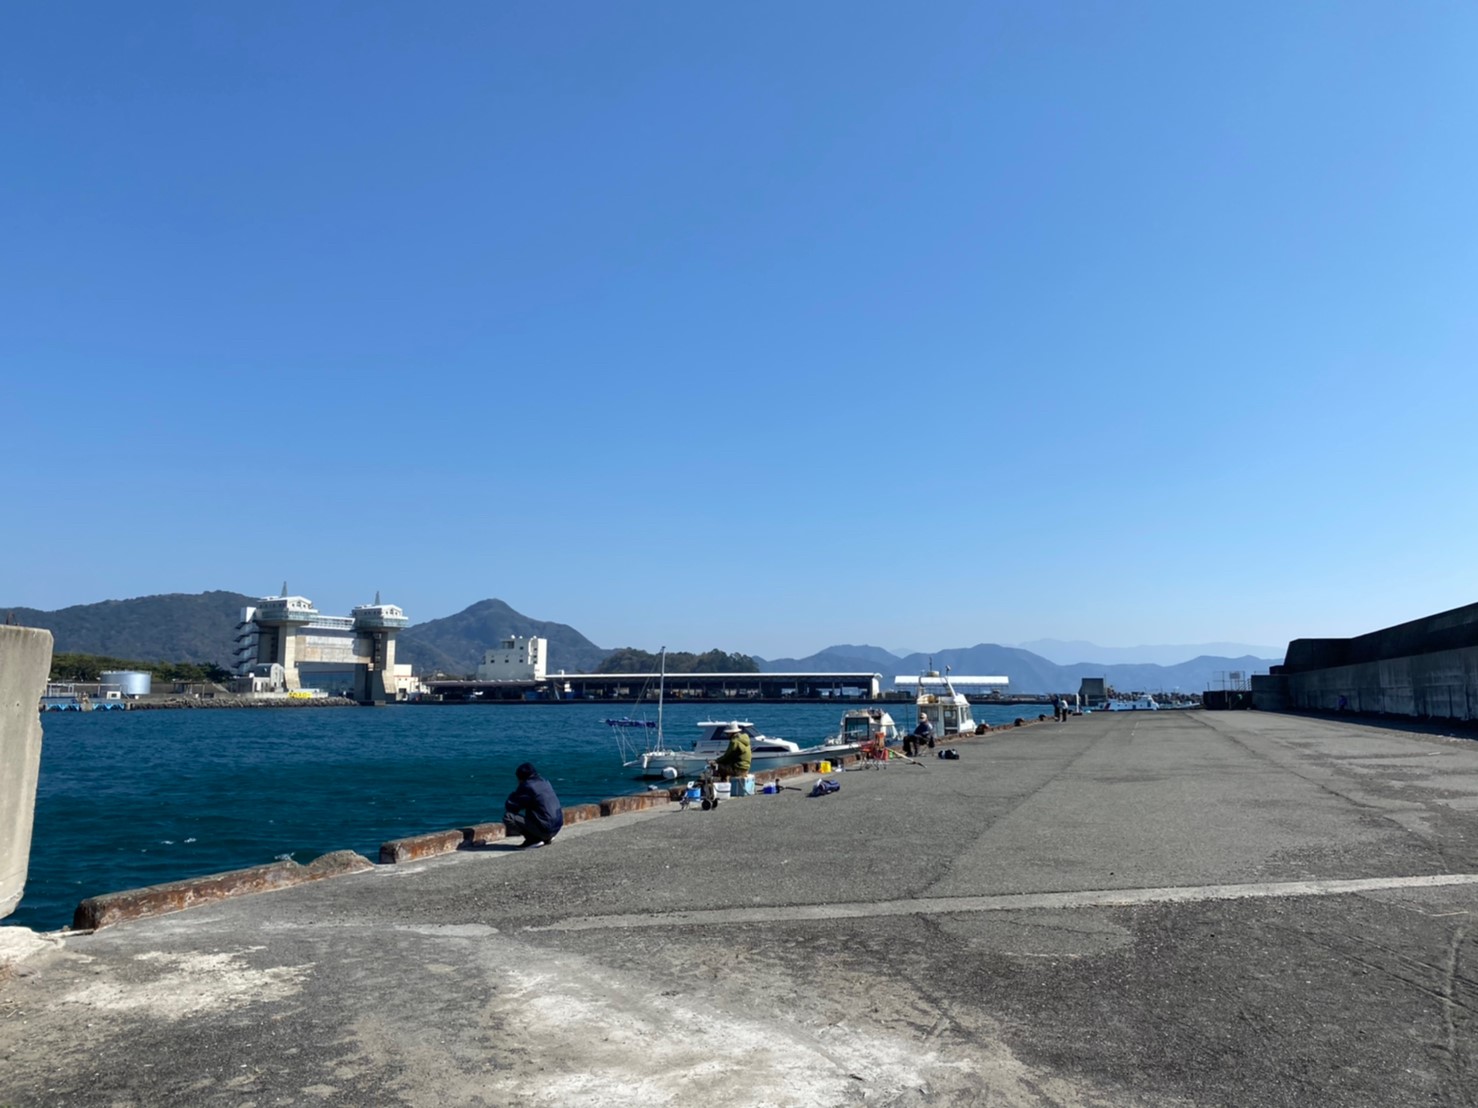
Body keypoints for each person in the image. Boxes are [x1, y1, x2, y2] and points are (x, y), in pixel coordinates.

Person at [504, 762, 564, 848]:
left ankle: (533, 840)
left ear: (520, 778)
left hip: (546, 829)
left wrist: (517, 792)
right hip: (556, 827)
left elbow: (511, 806)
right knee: (534, 807)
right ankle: (546, 838)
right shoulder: (544, 781)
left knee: (508, 817)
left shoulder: (527, 786)